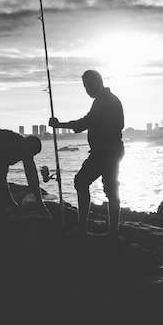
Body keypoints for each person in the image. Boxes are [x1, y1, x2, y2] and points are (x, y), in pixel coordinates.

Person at [49, 69, 124, 237]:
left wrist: (60, 125)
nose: (87, 89)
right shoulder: (104, 100)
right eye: (85, 86)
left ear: (98, 82)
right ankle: (107, 231)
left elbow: (85, 122)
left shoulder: (105, 101)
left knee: (88, 183)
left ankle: (93, 230)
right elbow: (90, 121)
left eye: (89, 85)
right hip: (106, 151)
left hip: (107, 152)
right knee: (100, 186)